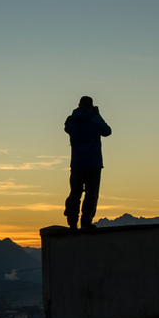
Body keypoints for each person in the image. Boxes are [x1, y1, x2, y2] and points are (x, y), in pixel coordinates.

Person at [63, 95, 111, 229]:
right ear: (91, 106)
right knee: (91, 193)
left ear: (79, 105)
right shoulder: (95, 119)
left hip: (77, 163)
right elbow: (107, 131)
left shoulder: (71, 120)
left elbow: (67, 128)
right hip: (93, 164)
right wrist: (98, 114)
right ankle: (86, 222)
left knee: (75, 193)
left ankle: (72, 222)